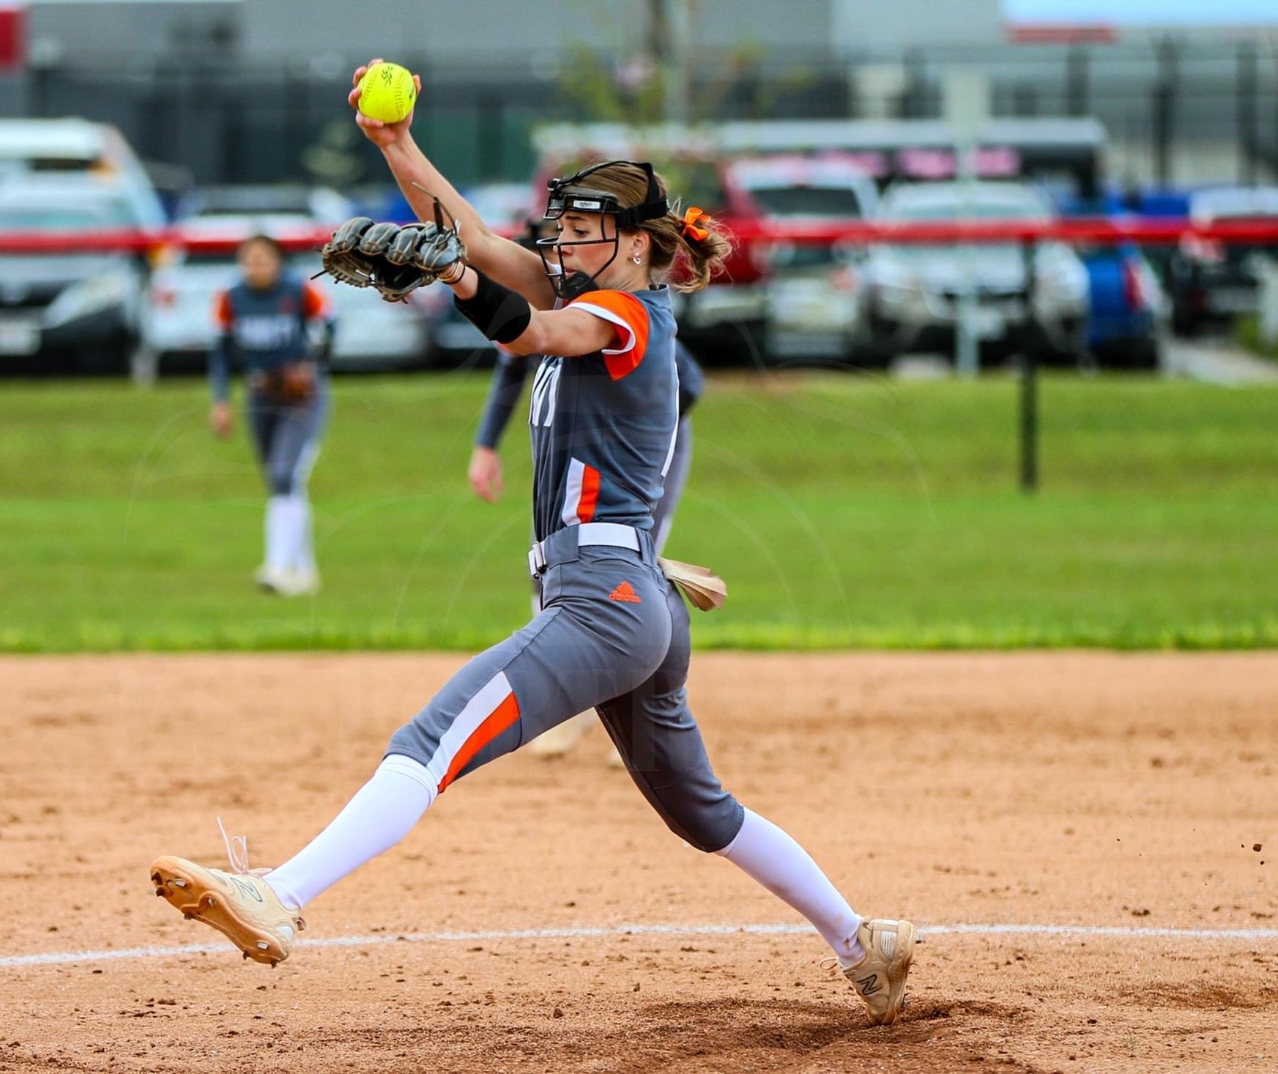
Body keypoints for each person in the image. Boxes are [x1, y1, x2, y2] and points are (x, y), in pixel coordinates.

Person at [151, 59, 916, 1027]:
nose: (563, 240)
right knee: (701, 812)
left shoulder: (628, 313)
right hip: (634, 596)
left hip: (604, 600)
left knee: (428, 741)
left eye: (587, 230)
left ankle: (282, 896)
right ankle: (863, 942)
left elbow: (530, 335)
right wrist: (397, 146)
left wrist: (464, 278)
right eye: (564, 226)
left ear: (639, 247)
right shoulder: (595, 285)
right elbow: (466, 233)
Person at [470, 222, 707, 759]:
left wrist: (630, 438)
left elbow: (687, 385)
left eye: (572, 240)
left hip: (644, 449)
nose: (558, 253)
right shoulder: (555, 305)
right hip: (586, 441)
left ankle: (628, 704)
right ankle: (582, 697)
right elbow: (513, 366)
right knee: (558, 565)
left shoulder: (621, 314)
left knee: (621, 565)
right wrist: (485, 445)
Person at [209, 234, 335, 596]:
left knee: (285, 475)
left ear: (278, 261)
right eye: (249, 259)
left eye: (263, 258)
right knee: (282, 482)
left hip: (301, 397)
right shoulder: (232, 298)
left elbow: (329, 326)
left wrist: (313, 365)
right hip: (259, 394)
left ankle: (277, 567)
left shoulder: (297, 292)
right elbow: (220, 353)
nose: (256, 265)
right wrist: (220, 401)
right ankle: (305, 572)